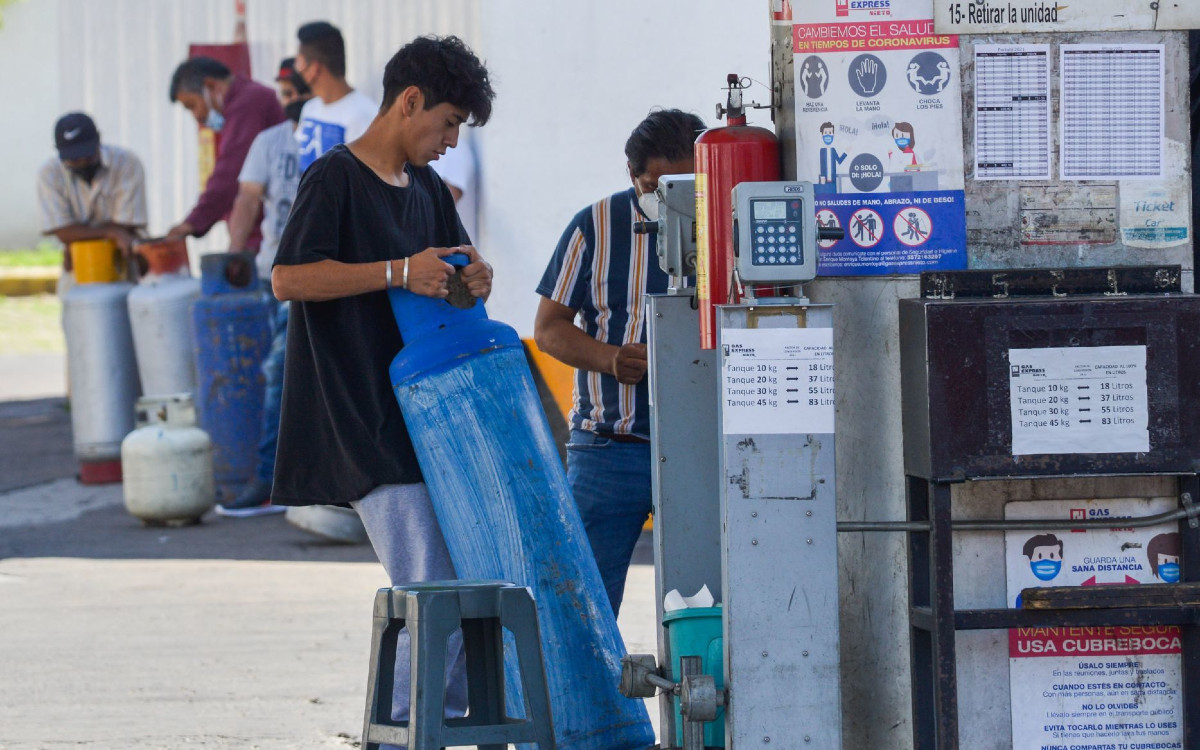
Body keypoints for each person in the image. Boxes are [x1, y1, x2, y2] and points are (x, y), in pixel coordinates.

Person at [271, 35, 495, 717]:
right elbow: (287, 277)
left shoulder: (426, 188)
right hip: (362, 418)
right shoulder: (334, 178)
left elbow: (451, 280)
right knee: (431, 582)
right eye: (449, 121)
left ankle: (448, 721)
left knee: (466, 577)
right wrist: (397, 271)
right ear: (409, 101)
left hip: (433, 419)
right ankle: (409, 726)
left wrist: (472, 281)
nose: (452, 140)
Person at [534, 109, 705, 616]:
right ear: (634, 177)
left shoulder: (729, 220)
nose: (671, 198)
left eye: (685, 184)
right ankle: (592, 697)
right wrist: (611, 360)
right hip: (610, 449)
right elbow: (548, 328)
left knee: (705, 604)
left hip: (703, 450)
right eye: (658, 186)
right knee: (583, 605)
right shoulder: (594, 226)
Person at [217, 58, 312, 517]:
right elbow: (247, 197)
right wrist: (238, 254)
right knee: (278, 374)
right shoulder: (268, 142)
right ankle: (272, 478)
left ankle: (281, 479)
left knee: (289, 375)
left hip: (329, 275)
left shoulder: (340, 133)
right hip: (281, 277)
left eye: (297, 94)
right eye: (285, 96)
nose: (291, 103)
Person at [165, 56, 284, 243]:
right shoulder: (247, 99)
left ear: (211, 86)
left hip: (271, 235)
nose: (196, 116)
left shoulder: (248, 103)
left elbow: (230, 173)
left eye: (192, 105)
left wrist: (192, 222)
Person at [37, 112, 147, 294]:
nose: (81, 163)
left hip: (122, 265)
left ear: (99, 141)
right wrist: (111, 231)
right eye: (73, 158)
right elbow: (63, 232)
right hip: (78, 270)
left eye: (87, 155)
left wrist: (78, 236)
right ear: (58, 151)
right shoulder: (49, 173)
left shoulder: (126, 163)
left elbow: (127, 225)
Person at [292, 21, 378, 172]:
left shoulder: (364, 115)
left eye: (299, 62)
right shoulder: (310, 108)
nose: (297, 70)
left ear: (314, 68)